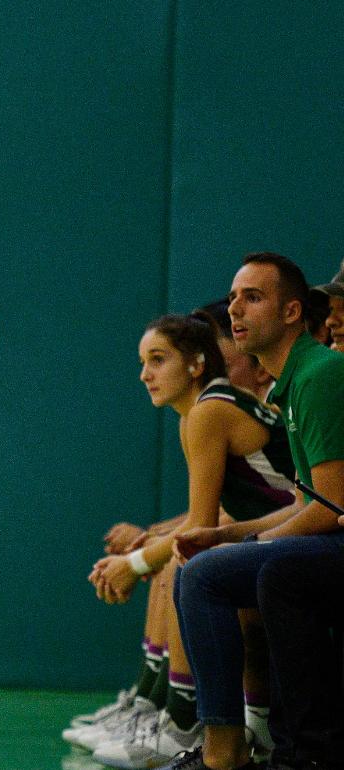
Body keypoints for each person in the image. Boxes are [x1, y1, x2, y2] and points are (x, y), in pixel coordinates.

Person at [79, 312, 295, 769]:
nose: (145, 374)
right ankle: (167, 711)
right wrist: (141, 553)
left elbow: (200, 524)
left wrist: (134, 563)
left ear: (197, 364)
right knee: (182, 562)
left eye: (158, 360)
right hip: (279, 536)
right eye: (142, 363)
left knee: (186, 567)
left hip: (307, 534)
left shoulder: (209, 411)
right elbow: (215, 517)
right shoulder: (200, 413)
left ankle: (181, 721)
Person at [160, 253, 344, 770]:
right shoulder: (295, 381)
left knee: (206, 579)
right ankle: (236, 738)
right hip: (323, 537)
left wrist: (254, 545)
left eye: (253, 297)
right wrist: (229, 535)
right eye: (234, 297)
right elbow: (308, 501)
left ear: (291, 313)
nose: (235, 309)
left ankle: (225, 752)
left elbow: (333, 507)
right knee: (203, 567)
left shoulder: (319, 375)